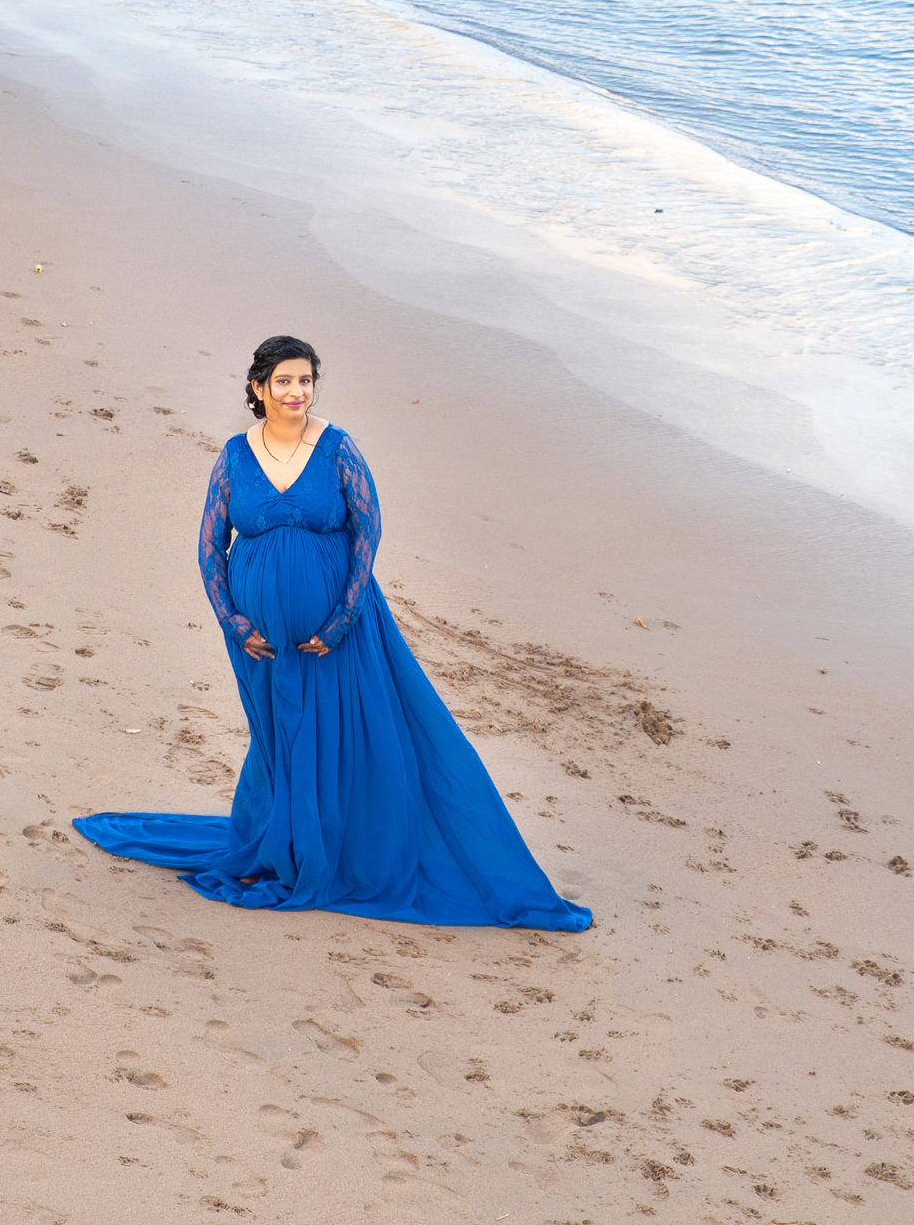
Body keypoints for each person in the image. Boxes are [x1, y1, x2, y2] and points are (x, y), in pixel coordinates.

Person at [73, 335, 591, 931]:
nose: (297, 392)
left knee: (346, 738)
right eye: (284, 381)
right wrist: (234, 621)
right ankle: (284, 844)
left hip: (334, 632)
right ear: (257, 388)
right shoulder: (235, 456)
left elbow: (367, 532)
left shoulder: (338, 448)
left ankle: (339, 849)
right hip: (257, 639)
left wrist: (343, 617)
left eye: (306, 380)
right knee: (280, 739)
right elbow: (210, 546)